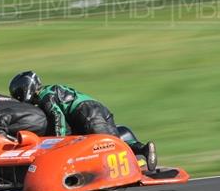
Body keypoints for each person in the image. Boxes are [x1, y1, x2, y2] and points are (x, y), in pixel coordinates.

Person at [8, 71, 158, 171]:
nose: (18, 97)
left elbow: (57, 116)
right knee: (115, 141)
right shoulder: (50, 91)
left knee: (107, 144)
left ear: (26, 87)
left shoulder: (44, 97)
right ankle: (143, 149)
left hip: (86, 112)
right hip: (96, 108)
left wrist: (57, 143)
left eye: (18, 93)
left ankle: (128, 166)